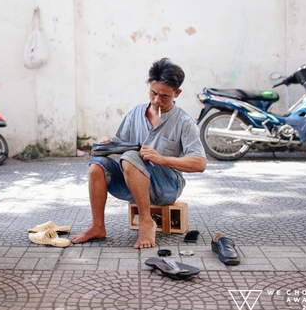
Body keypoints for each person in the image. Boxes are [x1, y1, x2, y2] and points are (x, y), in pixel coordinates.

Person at [71, 58, 207, 248]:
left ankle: (146, 221)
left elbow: (200, 163)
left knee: (130, 157)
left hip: (166, 186)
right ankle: (97, 226)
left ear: (177, 93)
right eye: (153, 93)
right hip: (134, 183)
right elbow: (120, 144)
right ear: (149, 87)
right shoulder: (135, 113)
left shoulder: (184, 122)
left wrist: (162, 159)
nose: (157, 100)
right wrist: (107, 142)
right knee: (97, 164)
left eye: (165, 96)